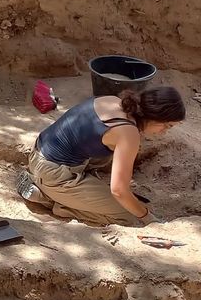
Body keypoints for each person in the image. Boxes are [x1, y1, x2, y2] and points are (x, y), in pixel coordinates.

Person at [23, 86, 185, 227]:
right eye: (167, 126)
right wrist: (148, 217)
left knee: (109, 153)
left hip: (40, 152)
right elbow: (119, 190)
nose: (164, 132)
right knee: (128, 216)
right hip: (52, 173)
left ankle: (65, 189)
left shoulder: (113, 101)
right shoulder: (128, 133)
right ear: (155, 116)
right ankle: (48, 199)